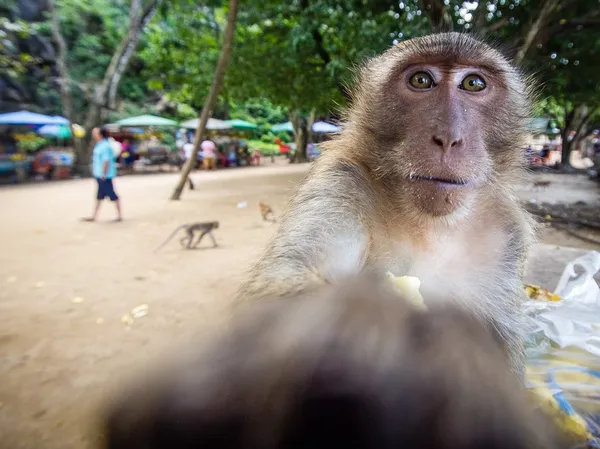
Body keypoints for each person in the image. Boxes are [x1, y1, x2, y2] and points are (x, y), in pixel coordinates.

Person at [82, 127, 122, 222]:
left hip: (104, 175)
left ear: (100, 134)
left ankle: (119, 215)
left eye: (95, 132)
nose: (93, 134)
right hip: (99, 174)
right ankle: (94, 216)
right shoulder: (100, 145)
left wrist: (104, 173)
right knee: (99, 196)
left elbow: (106, 161)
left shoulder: (105, 146)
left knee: (112, 195)